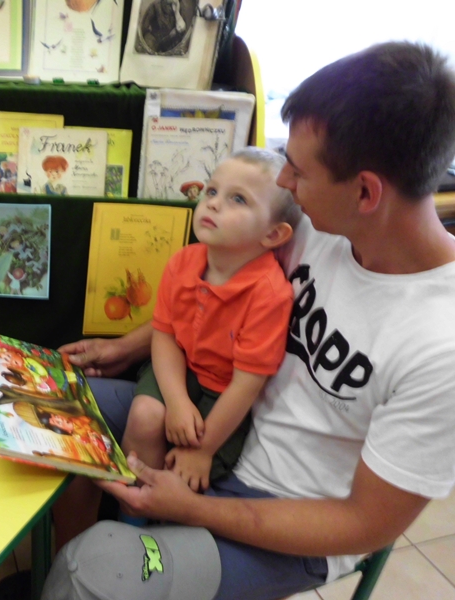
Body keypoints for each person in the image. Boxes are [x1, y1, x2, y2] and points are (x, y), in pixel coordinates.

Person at [44, 41, 455, 600]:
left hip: (283, 513)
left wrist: (194, 509)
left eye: (298, 171)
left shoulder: (439, 348)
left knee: (97, 572)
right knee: (52, 409)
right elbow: (212, 297)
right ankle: (62, 568)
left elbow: (365, 524)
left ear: (365, 192)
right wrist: (129, 346)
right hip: (212, 419)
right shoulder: (319, 224)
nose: (284, 182)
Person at [123, 148, 300, 502]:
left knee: (185, 468)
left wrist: (203, 451)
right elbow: (165, 335)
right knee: (144, 415)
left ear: (273, 235)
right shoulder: (182, 262)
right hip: (178, 370)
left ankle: (159, 520)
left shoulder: (269, 294)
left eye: (238, 199)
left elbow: (247, 385)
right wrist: (176, 401)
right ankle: (132, 511)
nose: (214, 204)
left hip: (224, 397)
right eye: (212, 191)